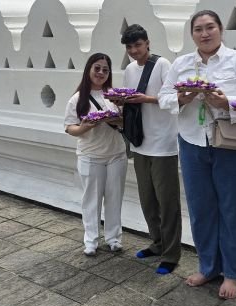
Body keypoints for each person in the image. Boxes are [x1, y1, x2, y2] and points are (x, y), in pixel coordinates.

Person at [157, 10, 236, 299]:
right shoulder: (182, 64)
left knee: (232, 209)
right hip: (192, 141)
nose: (205, 33)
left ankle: (233, 273)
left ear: (221, 30)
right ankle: (208, 266)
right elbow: (163, 97)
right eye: (198, 29)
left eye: (210, 27)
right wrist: (182, 97)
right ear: (192, 34)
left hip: (229, 144)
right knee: (201, 210)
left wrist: (226, 101)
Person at [118, 24, 181, 275]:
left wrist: (147, 99)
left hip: (163, 143)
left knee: (167, 202)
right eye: (130, 47)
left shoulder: (163, 65)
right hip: (140, 141)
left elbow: (173, 99)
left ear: (147, 43)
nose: (134, 51)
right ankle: (157, 243)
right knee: (147, 200)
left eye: (138, 45)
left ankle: (171, 253)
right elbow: (128, 100)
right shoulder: (129, 70)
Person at [64, 53, 128, 256]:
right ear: (89, 70)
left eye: (105, 69)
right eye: (97, 68)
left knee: (114, 197)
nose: (101, 73)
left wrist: (117, 118)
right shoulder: (78, 99)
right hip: (90, 155)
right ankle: (91, 240)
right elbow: (69, 128)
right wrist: (84, 127)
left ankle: (113, 238)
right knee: (91, 200)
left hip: (116, 153)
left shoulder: (114, 96)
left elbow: (125, 122)